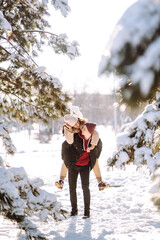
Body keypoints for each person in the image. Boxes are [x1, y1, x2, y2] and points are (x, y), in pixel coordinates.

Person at [55, 114, 109, 191]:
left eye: (77, 122)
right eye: (74, 124)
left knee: (94, 161)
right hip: (74, 148)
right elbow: (70, 141)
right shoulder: (68, 129)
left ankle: (100, 183)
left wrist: (93, 146)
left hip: (87, 147)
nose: (77, 125)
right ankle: (61, 181)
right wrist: (70, 130)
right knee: (66, 161)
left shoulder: (84, 125)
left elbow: (96, 134)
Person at [62, 122, 104, 218]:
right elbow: (66, 143)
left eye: (85, 128)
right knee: (72, 188)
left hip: (84, 166)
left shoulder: (95, 140)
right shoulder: (77, 136)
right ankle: (74, 210)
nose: (82, 129)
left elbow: (98, 150)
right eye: (83, 128)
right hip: (73, 165)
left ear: (90, 131)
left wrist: (93, 149)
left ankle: (87, 212)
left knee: (85, 188)